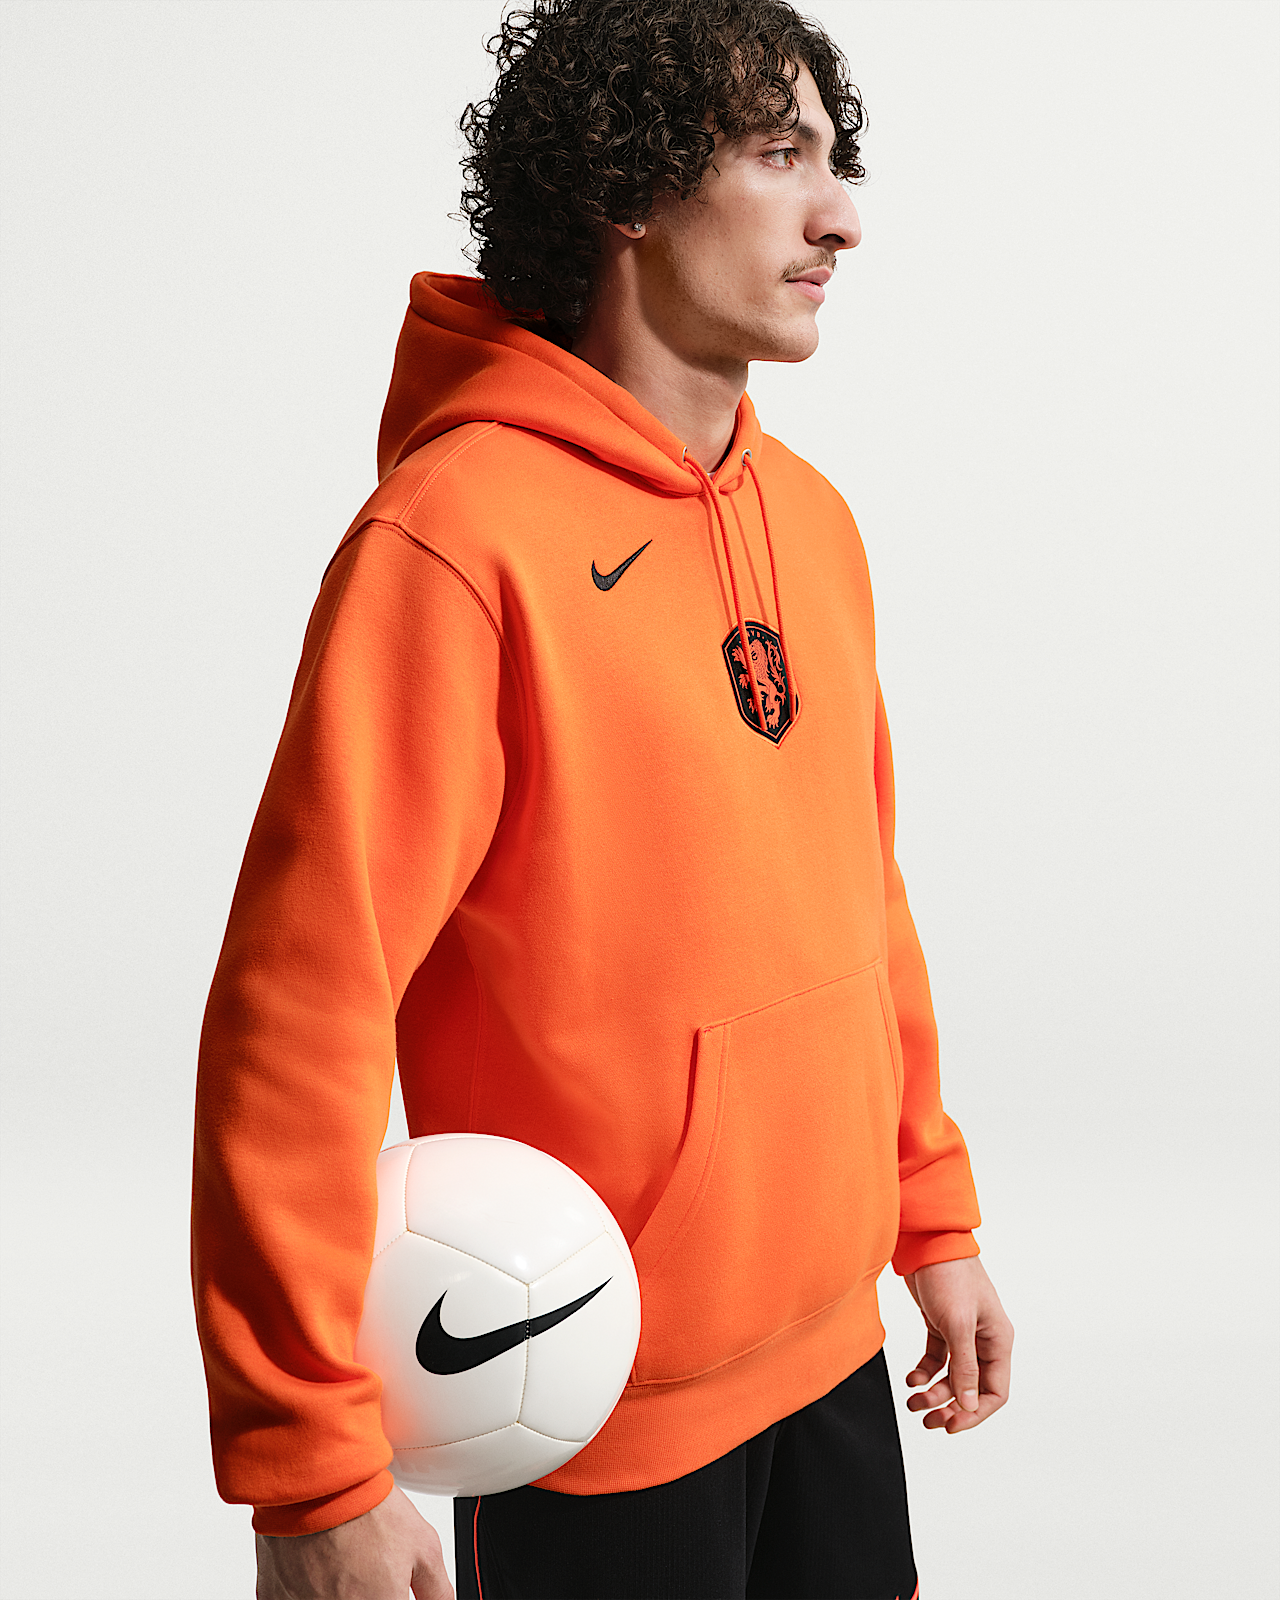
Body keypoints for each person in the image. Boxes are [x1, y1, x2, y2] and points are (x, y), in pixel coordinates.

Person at [191, 1, 1015, 1595]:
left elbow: (860, 889)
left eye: (833, 162)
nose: (840, 217)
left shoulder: (815, 522)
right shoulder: (452, 543)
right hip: (572, 1390)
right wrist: (307, 1470)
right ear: (627, 187)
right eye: (778, 157)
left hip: (831, 1361)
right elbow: (301, 1013)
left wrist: (932, 1217)